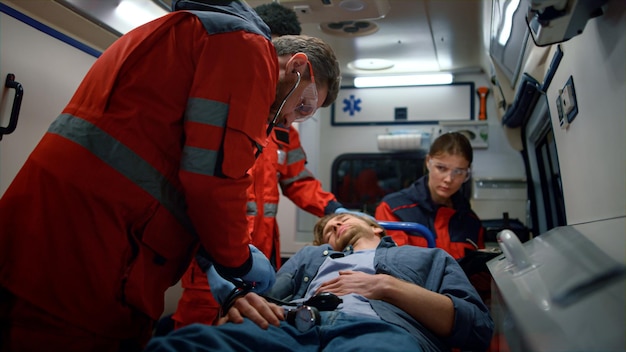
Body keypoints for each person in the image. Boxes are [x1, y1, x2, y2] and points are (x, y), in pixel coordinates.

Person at [0, 0, 340, 350]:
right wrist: (236, 261)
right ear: (296, 65)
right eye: (303, 106)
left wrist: (217, 260)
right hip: (90, 251)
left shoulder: (194, 34)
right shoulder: (247, 51)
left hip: (55, 231)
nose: (289, 121)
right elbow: (213, 183)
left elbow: (180, 167)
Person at [171, 2, 346, 330]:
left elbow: (298, 180)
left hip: (259, 255)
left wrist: (335, 209)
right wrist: (215, 261)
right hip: (212, 252)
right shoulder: (223, 98)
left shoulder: (283, 128)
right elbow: (206, 187)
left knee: (254, 333)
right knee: (196, 330)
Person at [144, 212, 494, 351]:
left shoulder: (426, 258)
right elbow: (271, 297)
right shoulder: (311, 258)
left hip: (379, 331)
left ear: (376, 226)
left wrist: (384, 287)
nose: (334, 225)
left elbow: (477, 328)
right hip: (292, 324)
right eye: (327, 229)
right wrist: (239, 300)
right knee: (183, 345)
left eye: (342, 218)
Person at [374, 132, 485, 260]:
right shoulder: (393, 209)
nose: (449, 179)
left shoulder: (470, 221)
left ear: (467, 172)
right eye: (441, 168)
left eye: (459, 172)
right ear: (428, 162)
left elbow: (480, 275)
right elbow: (396, 268)